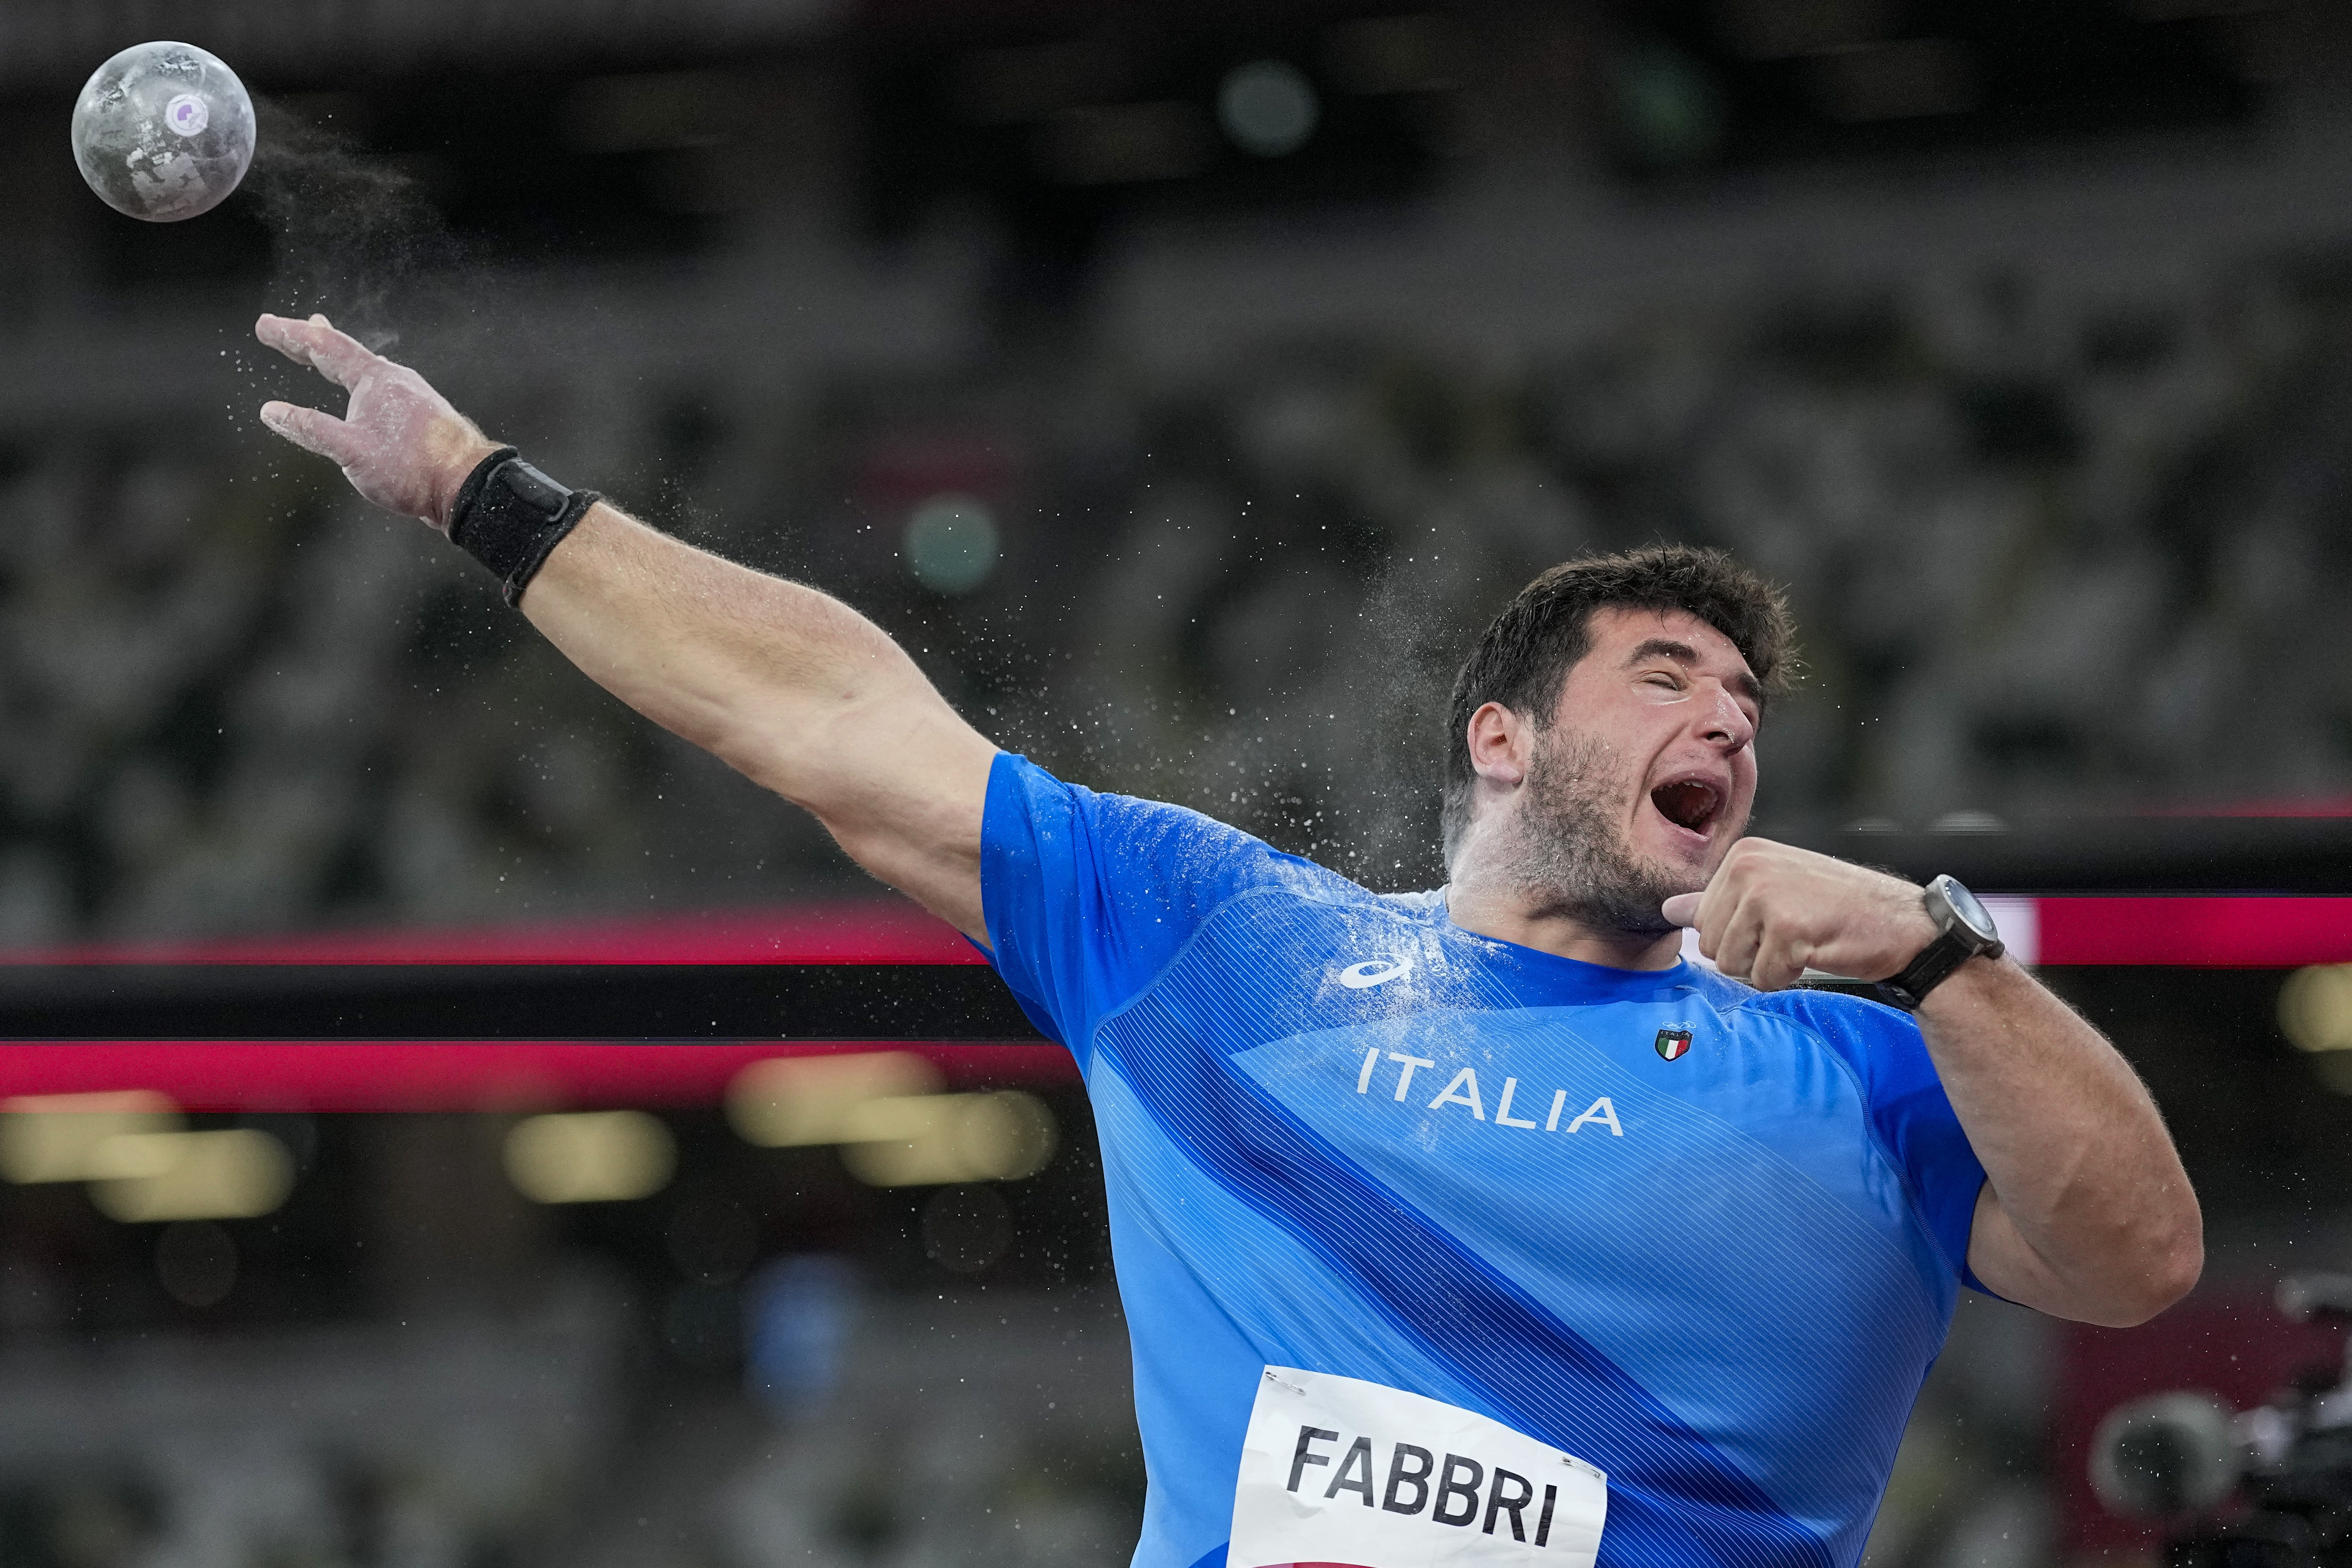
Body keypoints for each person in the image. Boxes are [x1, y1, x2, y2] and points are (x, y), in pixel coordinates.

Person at [251, 311, 2200, 1568]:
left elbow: (2140, 1264)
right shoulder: (1231, 945)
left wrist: (1949, 963)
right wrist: (482, 497)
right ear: (1500, 739)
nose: (1730, 724)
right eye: (1668, 677)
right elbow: (843, 725)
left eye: (1748, 706)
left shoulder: (1860, 1057)